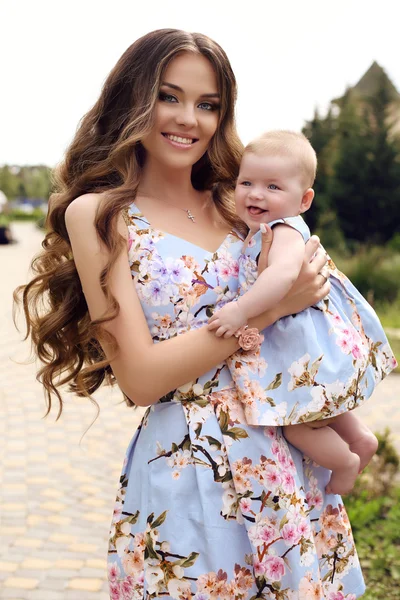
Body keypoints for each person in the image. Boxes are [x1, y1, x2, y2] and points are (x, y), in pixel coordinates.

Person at [14, 30, 367, 599]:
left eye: (208, 105)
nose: (189, 119)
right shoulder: (100, 216)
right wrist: (275, 306)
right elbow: (144, 378)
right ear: (134, 100)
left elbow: (315, 307)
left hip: (283, 454)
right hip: (187, 467)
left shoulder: (242, 200)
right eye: (169, 97)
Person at [208, 130, 397, 497]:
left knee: (296, 423)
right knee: (315, 402)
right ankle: (359, 437)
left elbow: (281, 276)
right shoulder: (266, 228)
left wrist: (240, 311)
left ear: (304, 199)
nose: (256, 193)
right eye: (247, 182)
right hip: (306, 337)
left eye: (273, 187)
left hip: (303, 339)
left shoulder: (283, 231)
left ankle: (345, 461)